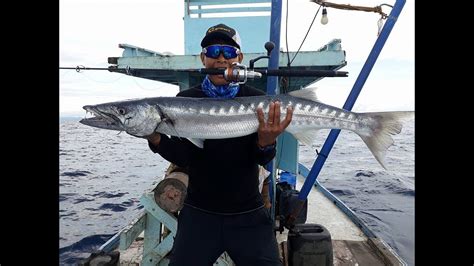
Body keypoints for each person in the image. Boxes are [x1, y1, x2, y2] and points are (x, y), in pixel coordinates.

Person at [146, 23, 293, 266]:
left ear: (240, 57)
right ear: (204, 58)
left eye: (228, 52)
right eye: (213, 52)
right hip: (199, 215)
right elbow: (185, 157)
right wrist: (155, 139)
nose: (221, 59)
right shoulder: (186, 101)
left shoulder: (257, 99)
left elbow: (262, 159)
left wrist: (266, 143)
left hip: (249, 215)